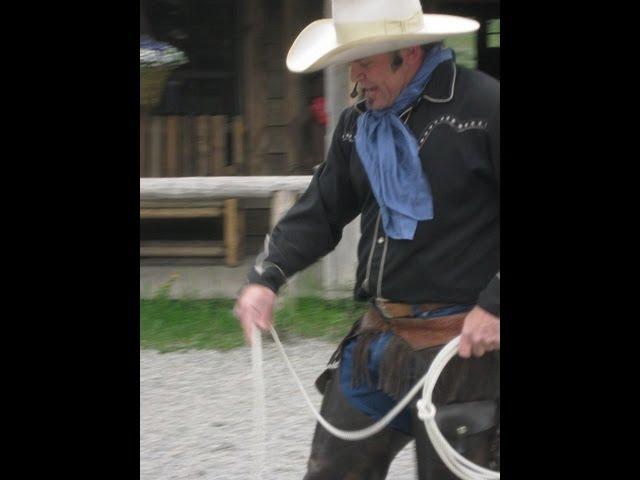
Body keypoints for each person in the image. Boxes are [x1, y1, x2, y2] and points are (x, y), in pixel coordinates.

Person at [234, 0, 500, 478]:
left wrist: (497, 303)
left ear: (410, 52)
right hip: (380, 340)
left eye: (367, 60)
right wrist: (265, 278)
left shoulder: (485, 108)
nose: (355, 76)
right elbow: (321, 210)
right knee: (330, 471)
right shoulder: (358, 125)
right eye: (351, 61)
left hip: (463, 350)